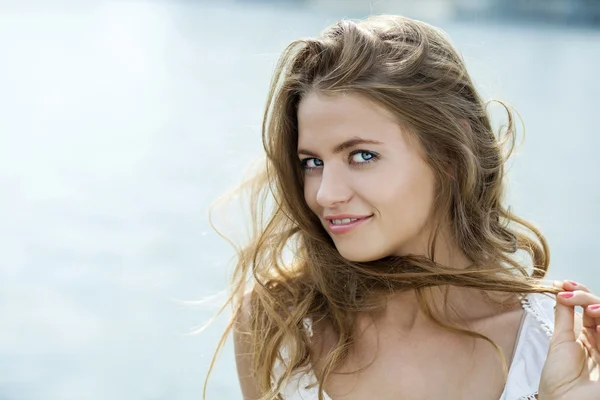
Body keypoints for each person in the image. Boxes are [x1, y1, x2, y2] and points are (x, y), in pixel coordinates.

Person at [204, 15, 600, 400]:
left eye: (361, 155)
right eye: (313, 162)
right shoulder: (280, 322)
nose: (325, 194)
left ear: (448, 152)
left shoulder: (559, 346)